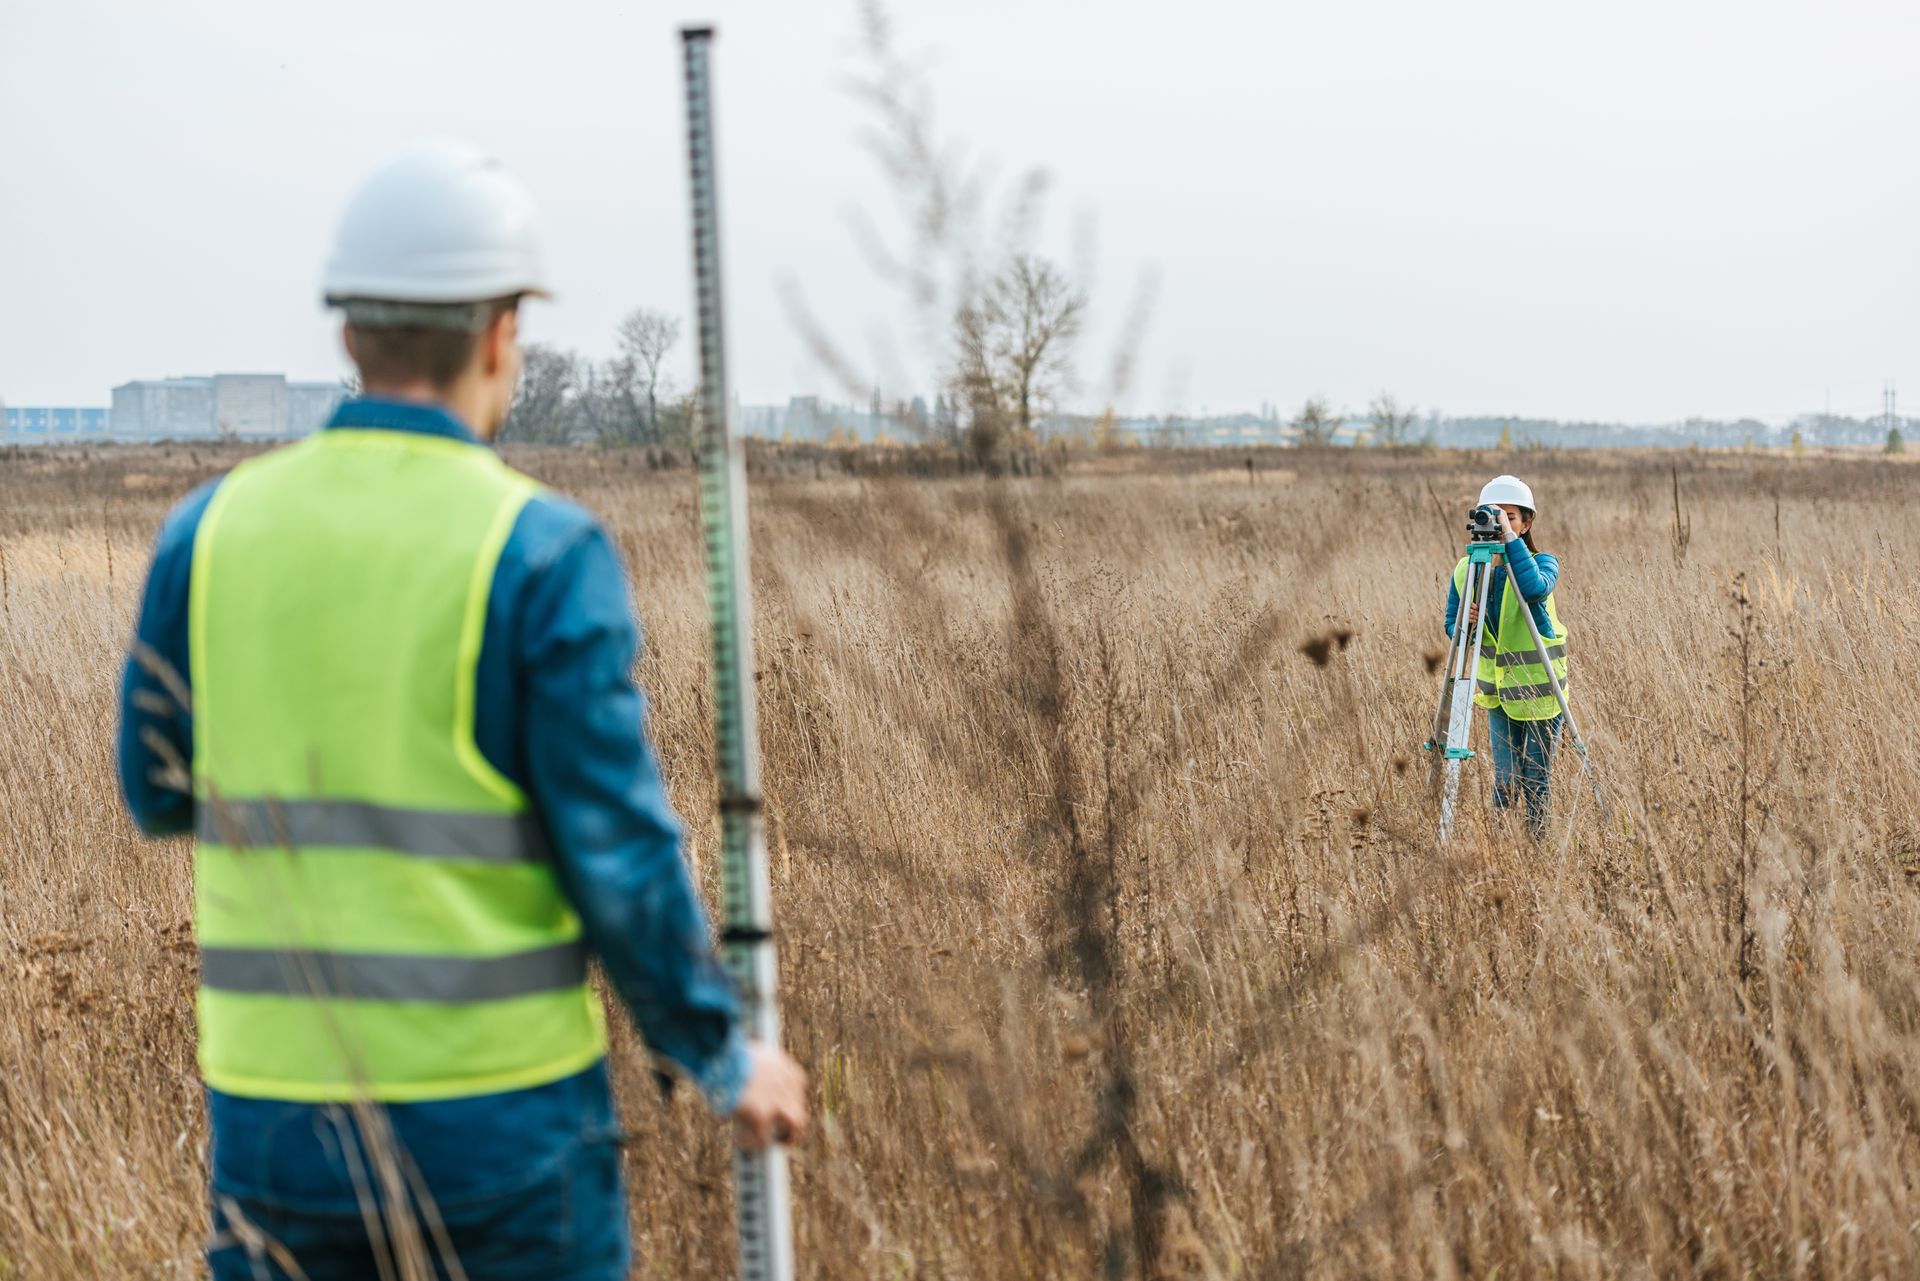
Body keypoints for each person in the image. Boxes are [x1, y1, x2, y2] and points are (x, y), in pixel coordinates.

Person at [117, 140, 808, 1281]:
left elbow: (154, 792)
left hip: (273, 1133)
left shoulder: (208, 532)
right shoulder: (540, 551)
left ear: (348, 336)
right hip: (502, 1132)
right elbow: (617, 851)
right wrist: (722, 1054)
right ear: (500, 337)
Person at [1442, 474, 1570, 838]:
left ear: (1526, 523)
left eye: (1510, 516)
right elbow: (1453, 629)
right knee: (1506, 779)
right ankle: (1501, 846)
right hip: (1498, 693)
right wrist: (1465, 624)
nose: (1500, 523)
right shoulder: (1468, 568)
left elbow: (1533, 588)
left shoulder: (1544, 562)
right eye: (1493, 515)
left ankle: (1537, 846)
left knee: (1536, 778)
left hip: (1541, 692)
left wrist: (1510, 541)